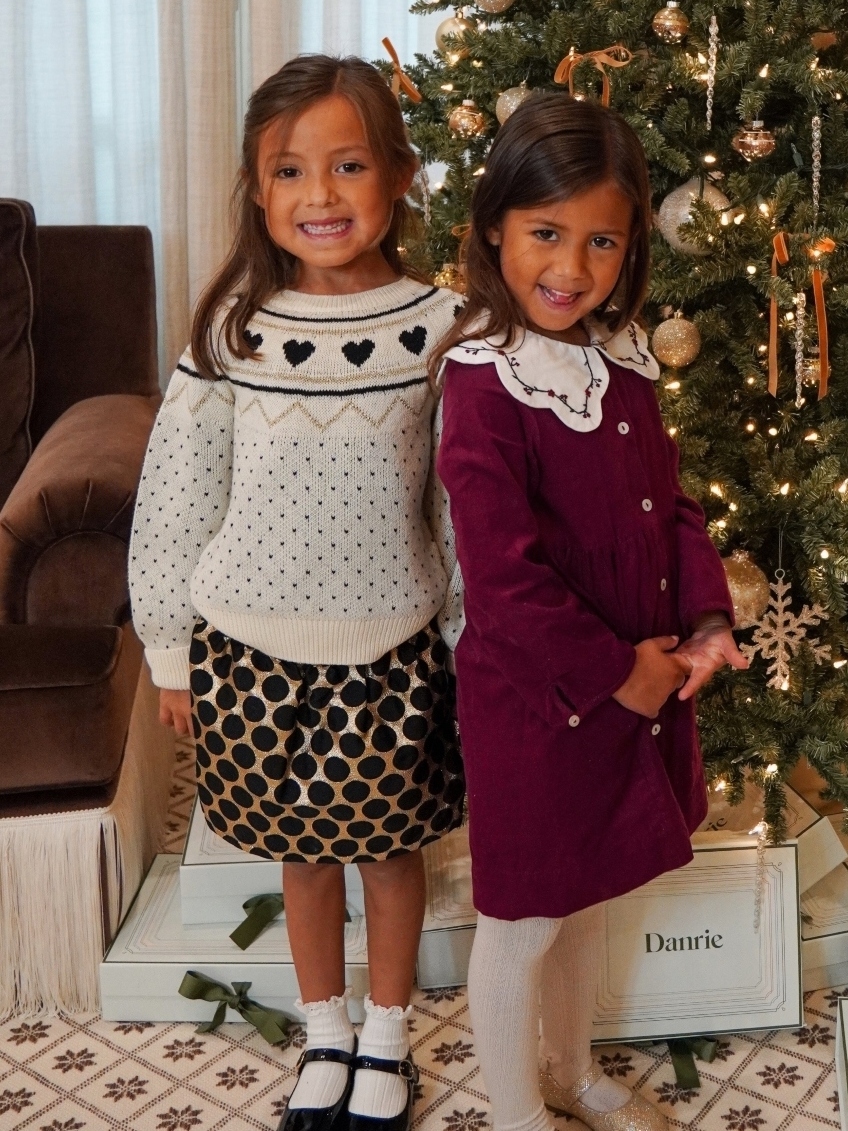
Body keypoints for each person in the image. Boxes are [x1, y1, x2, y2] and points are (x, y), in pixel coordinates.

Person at [129, 55, 464, 1131]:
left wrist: (466, 637)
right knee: (303, 856)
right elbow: (177, 499)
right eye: (288, 172)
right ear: (257, 190)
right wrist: (170, 652)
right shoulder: (232, 329)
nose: (318, 196)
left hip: (394, 649)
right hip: (250, 653)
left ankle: (385, 1036)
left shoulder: (443, 328)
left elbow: (459, 504)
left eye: (347, 165)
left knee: (387, 850)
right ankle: (324, 1029)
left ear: (400, 175)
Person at [432, 93, 747, 1131]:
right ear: (493, 229)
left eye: (599, 240)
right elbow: (505, 581)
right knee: (523, 921)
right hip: (540, 707)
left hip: (637, 690)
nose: (569, 267)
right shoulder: (481, 386)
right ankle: (518, 1112)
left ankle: (569, 1073)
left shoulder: (624, 368)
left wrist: (702, 618)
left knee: (583, 909)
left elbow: (672, 507)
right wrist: (623, 670)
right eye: (543, 234)